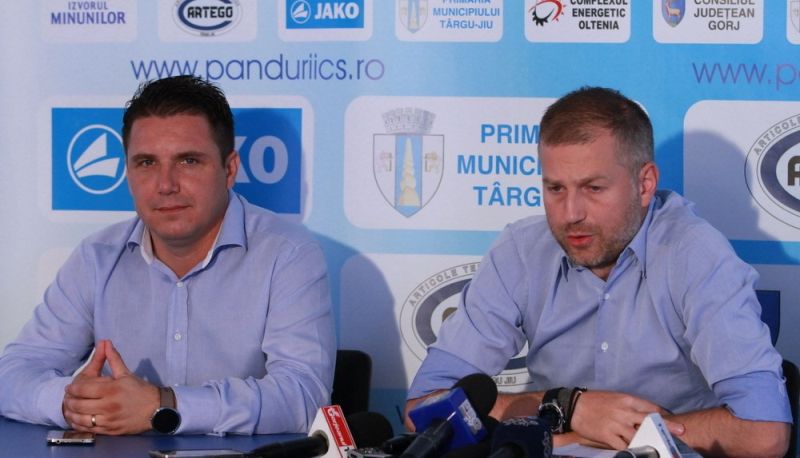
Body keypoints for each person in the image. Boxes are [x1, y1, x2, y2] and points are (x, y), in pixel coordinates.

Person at [404, 87, 791, 457]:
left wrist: (625, 433)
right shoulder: (520, 251)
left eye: (593, 188)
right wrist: (565, 407)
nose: (571, 214)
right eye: (556, 189)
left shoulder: (695, 254)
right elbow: (423, 410)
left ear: (645, 184)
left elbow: (764, 434)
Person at [0, 75, 335, 436]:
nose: (165, 185)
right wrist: (75, 404)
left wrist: (164, 406)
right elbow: (12, 374)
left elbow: (304, 397)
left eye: (188, 161)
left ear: (229, 170)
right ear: (128, 172)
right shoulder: (96, 258)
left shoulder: (287, 255)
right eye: (146, 163)